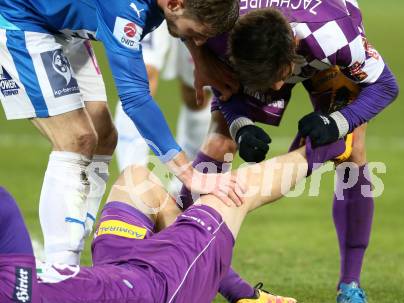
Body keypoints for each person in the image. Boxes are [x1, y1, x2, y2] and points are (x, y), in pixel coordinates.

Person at [0, 136, 349, 303]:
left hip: (118, 271)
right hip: (160, 292)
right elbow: (6, 207)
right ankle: (332, 144)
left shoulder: (15, 302)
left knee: (137, 179)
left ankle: (231, 286)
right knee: (237, 191)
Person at [180, 1, 399, 303]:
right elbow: (223, 89)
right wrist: (242, 126)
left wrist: (338, 123)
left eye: (280, 77)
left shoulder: (336, 36)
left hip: (324, 58)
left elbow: (385, 86)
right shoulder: (221, 29)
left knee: (352, 153)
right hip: (255, 46)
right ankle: (190, 253)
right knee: (219, 141)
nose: (278, 88)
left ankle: (350, 284)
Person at [0, 0, 241, 266]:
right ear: (174, 4)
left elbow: (185, 22)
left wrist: (199, 61)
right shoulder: (124, 8)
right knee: (75, 138)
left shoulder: (168, 6)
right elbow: (136, 99)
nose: (198, 42)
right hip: (21, 20)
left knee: (104, 138)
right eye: (197, 34)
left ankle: (74, 246)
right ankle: (61, 267)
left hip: (62, 29)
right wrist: (189, 174)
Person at [114, 22, 212, 176]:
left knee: (196, 94)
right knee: (139, 78)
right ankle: (133, 180)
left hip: (196, 7)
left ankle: (185, 184)